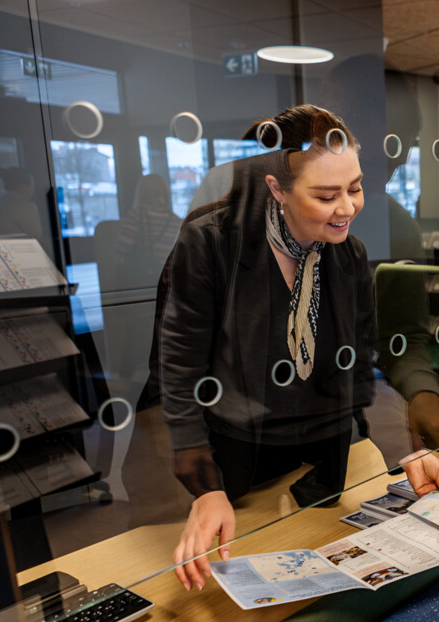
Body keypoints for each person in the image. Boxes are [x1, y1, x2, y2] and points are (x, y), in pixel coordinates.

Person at [160, 105, 378, 591]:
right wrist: (206, 488)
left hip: (321, 462)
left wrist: (368, 437)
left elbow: (356, 363)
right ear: (276, 189)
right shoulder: (210, 245)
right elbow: (178, 372)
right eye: (327, 195)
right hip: (235, 465)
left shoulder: (347, 253)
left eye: (355, 187)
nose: (347, 208)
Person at [0, 167, 42, 241]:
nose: (32, 191)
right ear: (22, 186)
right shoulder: (27, 207)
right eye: (31, 186)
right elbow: (36, 236)